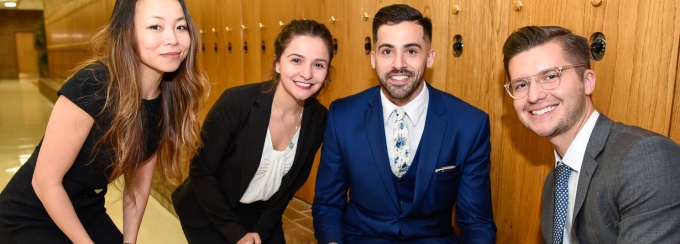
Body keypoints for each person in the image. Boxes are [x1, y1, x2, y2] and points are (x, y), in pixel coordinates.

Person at [0, 0, 208, 243]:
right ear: (125, 32)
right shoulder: (94, 85)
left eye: (181, 27)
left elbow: (139, 182)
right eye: (155, 27)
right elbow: (45, 182)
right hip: (30, 213)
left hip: (86, 207)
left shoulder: (167, 98)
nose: (172, 38)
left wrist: (129, 241)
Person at [312, 4, 496, 243]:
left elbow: (477, 222)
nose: (398, 64)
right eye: (387, 51)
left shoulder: (470, 124)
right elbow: (327, 204)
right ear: (373, 58)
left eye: (411, 51)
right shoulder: (342, 116)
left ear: (429, 57)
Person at [502, 25, 680, 243]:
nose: (533, 96)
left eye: (549, 76)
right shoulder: (554, 182)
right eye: (521, 84)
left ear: (587, 82)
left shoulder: (644, 159)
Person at [171, 19, 332, 244]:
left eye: (318, 64)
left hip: (259, 215)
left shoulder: (319, 119)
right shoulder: (237, 102)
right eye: (296, 60)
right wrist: (236, 233)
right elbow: (201, 171)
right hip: (210, 210)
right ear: (277, 63)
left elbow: (292, 185)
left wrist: (261, 230)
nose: (307, 74)